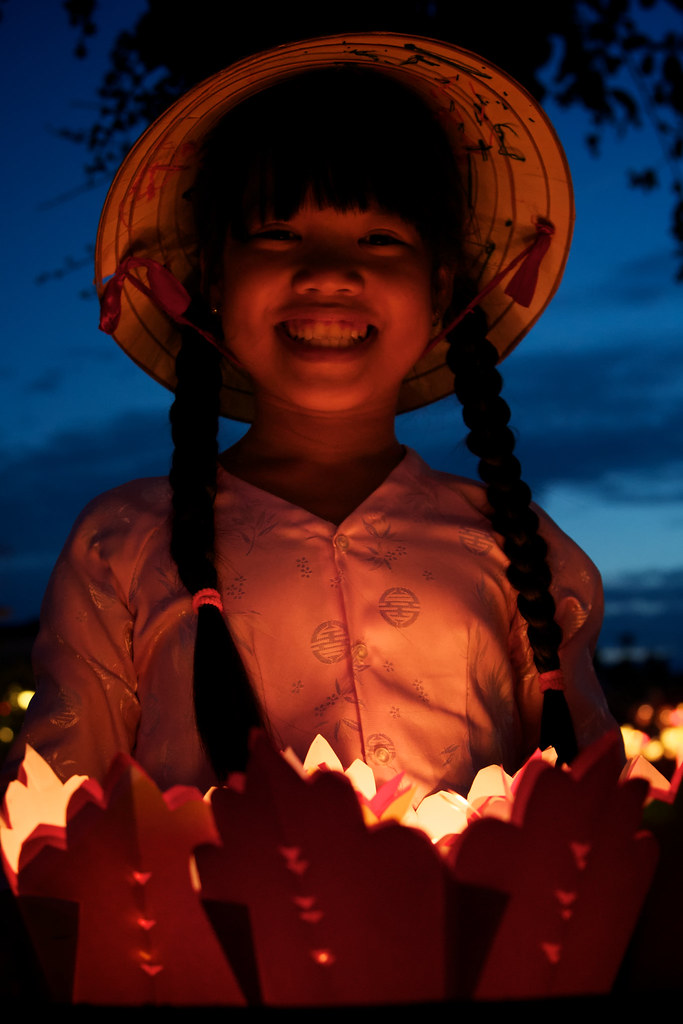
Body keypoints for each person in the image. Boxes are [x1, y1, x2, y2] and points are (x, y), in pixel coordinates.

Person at [1, 33, 620, 805]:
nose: (328, 273)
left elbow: (594, 821)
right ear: (213, 280)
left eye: (379, 239)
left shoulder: (522, 550)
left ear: (439, 293)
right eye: (278, 233)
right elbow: (57, 826)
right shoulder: (121, 546)